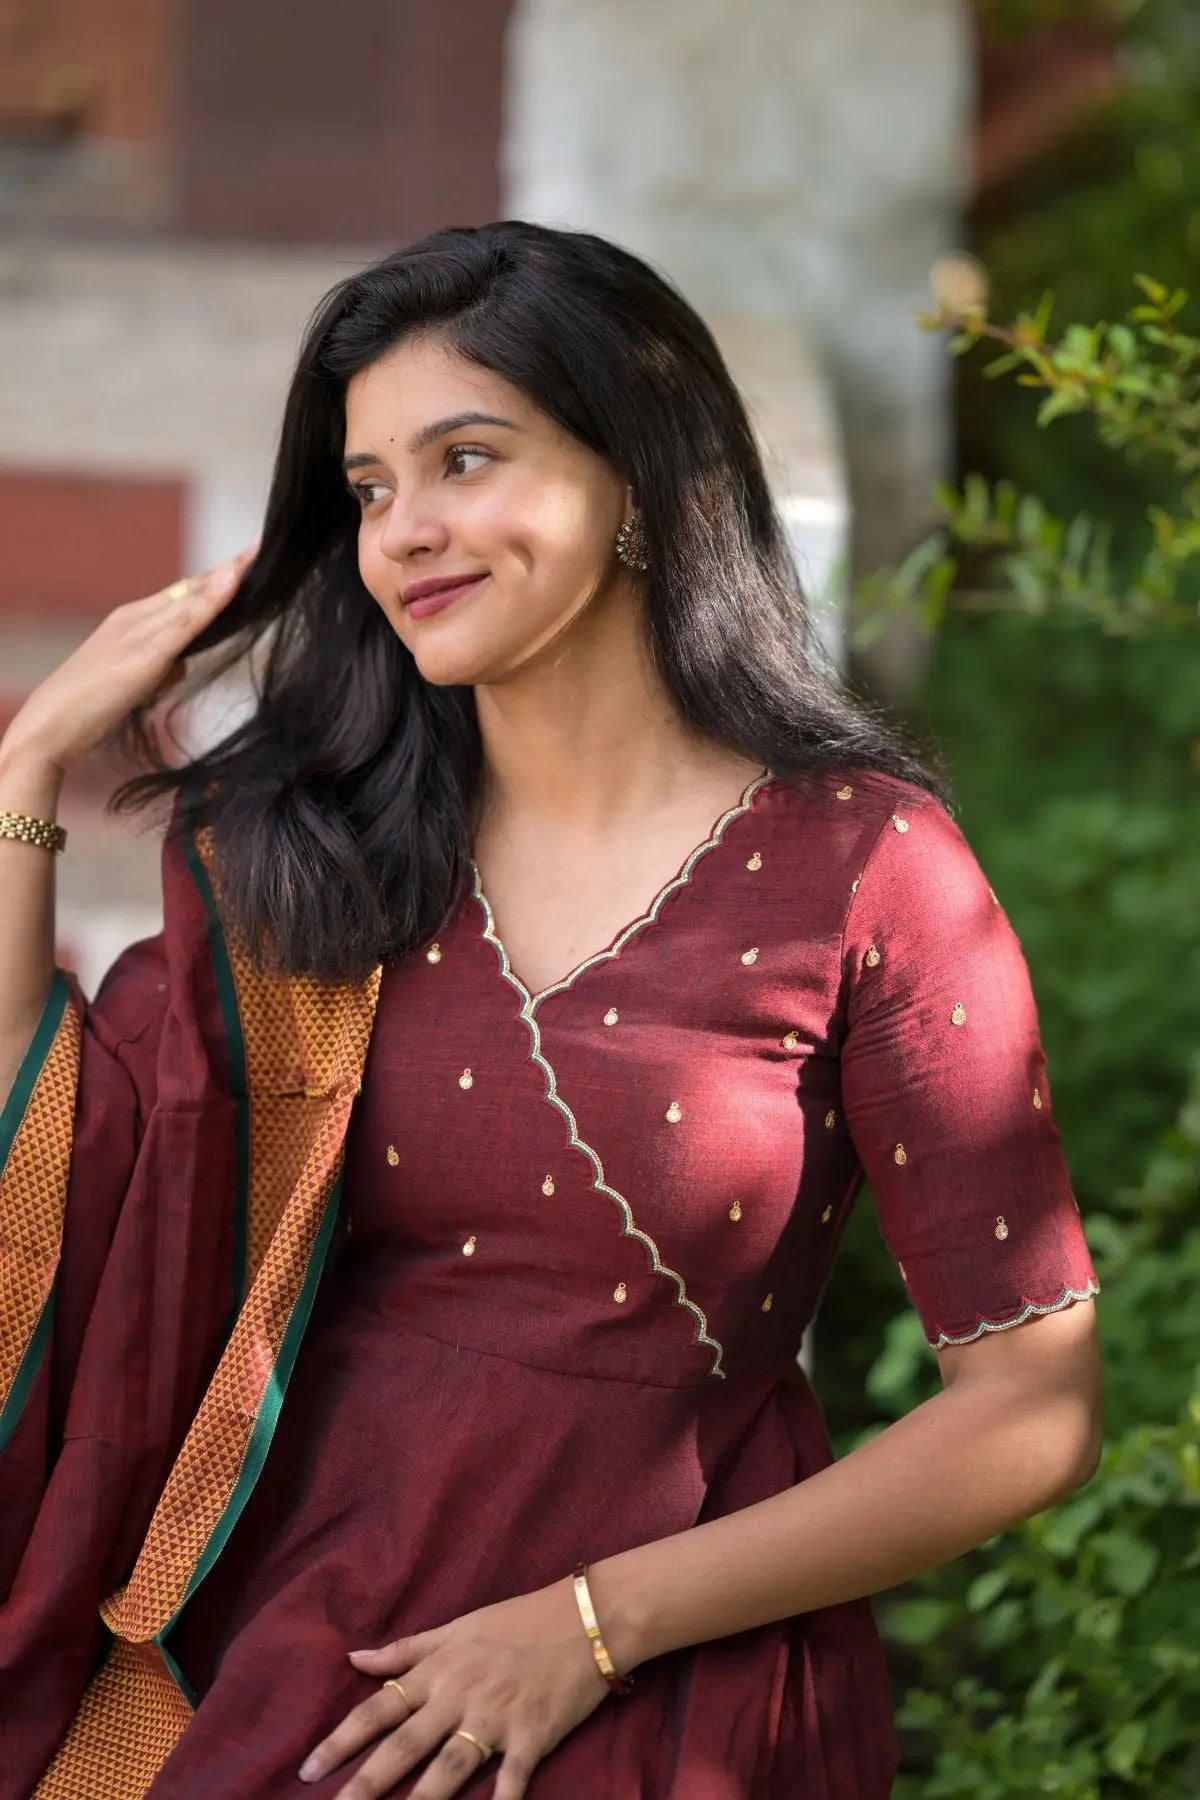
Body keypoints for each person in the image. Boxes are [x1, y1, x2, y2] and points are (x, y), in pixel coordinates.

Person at [0, 220, 1102, 1800]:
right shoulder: (316, 864)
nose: (405, 533)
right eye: (372, 489)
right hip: (302, 1644)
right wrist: (24, 776)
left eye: (466, 459)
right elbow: (60, 1166)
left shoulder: (865, 865)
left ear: (637, 478)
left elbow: (1030, 1406)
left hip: (676, 1670)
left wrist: (593, 1628)